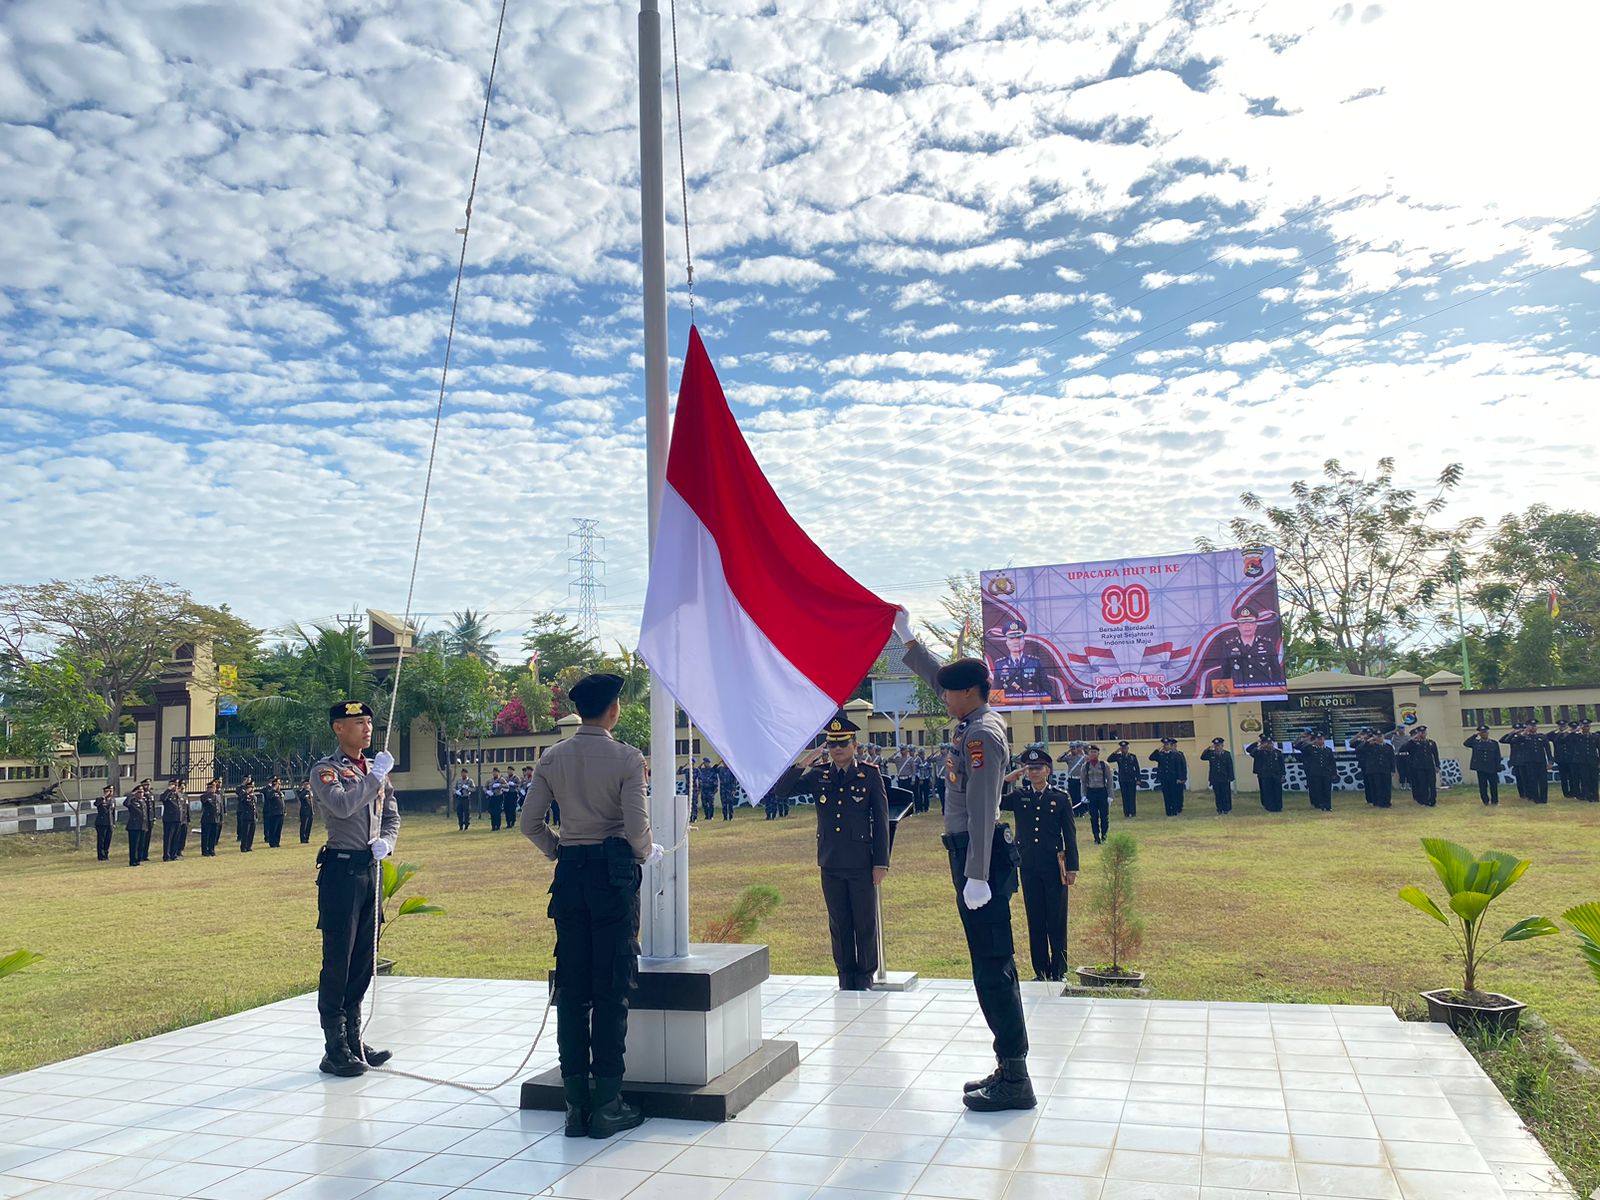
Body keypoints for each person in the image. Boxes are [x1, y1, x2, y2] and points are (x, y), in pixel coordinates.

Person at [899, 609, 1034, 1112]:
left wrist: (976, 875)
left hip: (982, 859)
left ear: (970, 693)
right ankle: (1008, 1065)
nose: (943, 697)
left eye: (949, 693)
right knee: (987, 964)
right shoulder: (972, 719)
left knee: (994, 966)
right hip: (973, 857)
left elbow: (982, 810)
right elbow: (939, 676)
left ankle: (1016, 1078)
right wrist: (908, 639)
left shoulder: (981, 736)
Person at [521, 673, 661, 1140]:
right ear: (614, 710)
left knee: (573, 989)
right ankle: (607, 1104)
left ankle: (575, 1106)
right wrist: (644, 852)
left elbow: (529, 823)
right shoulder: (628, 757)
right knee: (611, 988)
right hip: (613, 877)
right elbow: (637, 826)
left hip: (570, 877)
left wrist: (559, 849)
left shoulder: (552, 757)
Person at [309, 700, 401, 1078]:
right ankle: (334, 1048)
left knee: (364, 958)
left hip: (370, 870)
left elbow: (391, 815)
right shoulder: (326, 771)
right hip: (341, 872)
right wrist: (374, 777)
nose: (367, 729)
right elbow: (344, 805)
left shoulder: (372, 769)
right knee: (339, 961)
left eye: (368, 723)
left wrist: (388, 842)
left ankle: (353, 1039)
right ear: (338, 728)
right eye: (359, 723)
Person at [776, 715, 890, 992]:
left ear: (854, 745)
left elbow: (881, 820)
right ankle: (845, 977)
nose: (837, 749)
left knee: (864, 922)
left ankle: (865, 977)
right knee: (839, 924)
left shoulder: (869, 774)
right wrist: (804, 763)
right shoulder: (819, 774)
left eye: (843, 743)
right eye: (832, 744)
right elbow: (781, 791)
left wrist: (881, 863)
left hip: (861, 862)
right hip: (830, 861)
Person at [1001, 747, 1078, 982]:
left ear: (1048, 771)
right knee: (1035, 918)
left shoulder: (1060, 797)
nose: (1034, 772)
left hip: (1054, 865)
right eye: (1030, 769)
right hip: (1028, 865)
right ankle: (1041, 971)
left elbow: (1069, 834)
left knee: (1056, 918)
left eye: (1038, 768)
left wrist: (1072, 867)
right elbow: (995, 801)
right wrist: (1006, 780)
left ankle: (1059, 970)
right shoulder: (1020, 796)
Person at [1212, 605, 1283, 687]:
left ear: (1256, 626)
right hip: (1238, 692)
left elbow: (1276, 673)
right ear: (1238, 626)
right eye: (1243, 623)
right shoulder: (1229, 647)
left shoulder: (1268, 645)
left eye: (1250, 623)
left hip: (1263, 691)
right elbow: (1225, 675)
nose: (1247, 626)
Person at [992, 619, 1058, 701]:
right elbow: (995, 694)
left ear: (1024, 641)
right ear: (1007, 642)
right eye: (1011, 638)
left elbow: (1047, 690)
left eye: (1019, 637)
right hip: (1008, 706)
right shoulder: (999, 664)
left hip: (1032, 705)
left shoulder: (1035, 662)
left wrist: (1035, 695)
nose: (1016, 642)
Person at [1397, 728, 1440, 806]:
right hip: (1419, 767)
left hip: (1430, 767)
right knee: (1423, 784)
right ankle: (1424, 801)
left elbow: (1435, 755)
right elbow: (1402, 749)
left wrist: (1437, 765)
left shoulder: (1431, 743)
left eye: (1424, 732)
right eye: (1421, 732)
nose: (1422, 734)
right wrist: (1412, 740)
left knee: (1432, 784)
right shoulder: (1413, 743)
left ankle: (1432, 800)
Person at [1079, 745, 1112, 843]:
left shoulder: (1104, 765)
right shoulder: (1085, 766)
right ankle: (1096, 836)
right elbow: (1083, 782)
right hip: (1091, 792)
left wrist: (1110, 795)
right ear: (1088, 754)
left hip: (1102, 792)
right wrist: (1083, 795)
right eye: (1091, 752)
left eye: (1095, 752)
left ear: (1098, 753)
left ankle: (1104, 836)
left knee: (1104, 816)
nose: (1093, 754)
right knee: (1093, 816)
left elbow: (1110, 780)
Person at [1295, 732, 1336, 812]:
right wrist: (1310, 741)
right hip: (1316, 773)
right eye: (1318, 739)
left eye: (1321, 739)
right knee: (1318, 789)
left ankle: (1328, 805)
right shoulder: (1310, 749)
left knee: (1327, 790)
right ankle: (1321, 805)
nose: (1320, 740)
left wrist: (1334, 772)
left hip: (1326, 773)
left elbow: (1332, 762)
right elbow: (1300, 747)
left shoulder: (1328, 750)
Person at [1245, 733, 1285, 812]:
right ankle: (1269, 806)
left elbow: (1281, 764)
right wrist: (1258, 743)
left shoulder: (1277, 752)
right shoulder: (1260, 752)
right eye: (1267, 743)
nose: (1269, 745)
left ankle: (1278, 806)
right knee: (1267, 791)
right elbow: (1250, 752)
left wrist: (1283, 774)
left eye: (1270, 743)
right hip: (1265, 775)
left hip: (1276, 774)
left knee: (1277, 791)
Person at [1465, 726, 1503, 807]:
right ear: (1480, 734)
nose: (1484, 734)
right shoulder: (1476, 742)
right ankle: (1485, 801)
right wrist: (1474, 735)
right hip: (1481, 768)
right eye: (1482, 732)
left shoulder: (1494, 743)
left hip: (1492, 767)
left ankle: (1495, 801)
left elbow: (1497, 755)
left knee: (1493, 785)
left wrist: (1498, 766)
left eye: (1486, 732)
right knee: (1482, 785)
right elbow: (1466, 743)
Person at [1149, 738, 1187, 816]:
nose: (1166, 746)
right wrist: (1157, 750)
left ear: (1170, 745)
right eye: (1165, 744)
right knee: (1166, 795)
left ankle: (1174, 810)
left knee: (1173, 794)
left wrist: (1179, 778)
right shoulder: (1160, 754)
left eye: (1167, 744)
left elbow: (1178, 767)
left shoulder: (1176, 755)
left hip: (1173, 778)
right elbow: (1151, 757)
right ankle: (1168, 811)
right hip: (1164, 778)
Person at [1199, 737, 1234, 815]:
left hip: (1224, 777)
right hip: (1215, 778)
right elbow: (1202, 757)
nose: (1217, 747)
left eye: (1218, 745)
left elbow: (1230, 766)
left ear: (1222, 745)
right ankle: (1219, 809)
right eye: (1216, 745)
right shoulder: (1211, 754)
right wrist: (1208, 749)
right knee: (1218, 795)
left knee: (1226, 794)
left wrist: (1231, 777)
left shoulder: (1226, 754)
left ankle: (1227, 809)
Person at [1107, 740, 1140, 818]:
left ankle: (1133, 812)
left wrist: (1138, 779)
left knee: (1132, 796)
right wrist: (1116, 751)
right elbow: (1109, 759)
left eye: (1125, 748)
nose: (1124, 749)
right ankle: (1126, 813)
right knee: (1125, 796)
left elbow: (1137, 768)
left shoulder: (1132, 756)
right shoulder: (1118, 756)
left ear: (1128, 748)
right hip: (1123, 779)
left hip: (1131, 778)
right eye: (1122, 748)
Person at [1362, 731, 1395, 808]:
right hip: (1375, 769)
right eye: (1377, 736)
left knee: (1387, 786)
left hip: (1385, 769)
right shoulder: (1370, 746)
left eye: (1381, 736)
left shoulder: (1388, 746)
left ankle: (1387, 802)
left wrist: (1392, 769)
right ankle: (1378, 802)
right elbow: (1360, 749)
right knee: (1377, 786)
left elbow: (1392, 759)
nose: (1379, 738)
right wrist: (1368, 741)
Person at [1056, 742, 1087, 814]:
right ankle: (1075, 811)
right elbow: (1058, 759)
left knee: (1080, 796)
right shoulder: (1068, 757)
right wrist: (1067, 752)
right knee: (1073, 795)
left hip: (1079, 779)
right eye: (1071, 748)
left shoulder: (1082, 758)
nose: (1073, 750)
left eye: (1074, 748)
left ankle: (1082, 811)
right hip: (1071, 779)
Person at [124, 782, 148, 868]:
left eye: (142, 792)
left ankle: (138, 859)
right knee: (134, 845)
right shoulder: (132, 801)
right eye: (139, 792)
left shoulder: (143, 801)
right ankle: (133, 860)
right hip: (134, 826)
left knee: (141, 844)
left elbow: (145, 814)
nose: (141, 794)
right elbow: (126, 803)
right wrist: (131, 795)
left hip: (142, 825)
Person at [160, 779, 185, 861]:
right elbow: (163, 798)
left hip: (178, 819)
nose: (176, 786)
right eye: (174, 784)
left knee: (176, 838)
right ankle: (166, 856)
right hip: (169, 820)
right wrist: (168, 790)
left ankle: (173, 854)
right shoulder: (167, 794)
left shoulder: (179, 795)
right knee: (168, 838)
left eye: (177, 784)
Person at [1574, 720, 1600, 802]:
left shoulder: (1595, 737)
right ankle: (1587, 795)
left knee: (1594, 779)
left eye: (1587, 726)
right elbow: (1567, 739)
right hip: (1582, 762)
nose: (1586, 728)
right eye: (1584, 726)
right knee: (1585, 779)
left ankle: (1595, 796)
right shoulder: (1578, 737)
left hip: (1593, 761)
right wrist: (1577, 730)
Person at [200, 778, 225, 856]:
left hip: (216, 819)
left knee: (213, 836)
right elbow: (204, 801)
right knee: (206, 836)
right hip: (207, 819)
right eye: (212, 787)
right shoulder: (204, 796)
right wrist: (209, 793)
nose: (214, 789)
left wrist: (221, 818)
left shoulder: (218, 796)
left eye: (214, 787)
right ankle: (205, 851)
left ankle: (212, 849)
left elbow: (220, 807)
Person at [262, 776, 286, 848]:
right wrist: (273, 789)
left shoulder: (280, 792)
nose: (280, 785)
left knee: (279, 829)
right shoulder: (270, 792)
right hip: (274, 813)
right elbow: (269, 797)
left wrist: (284, 810)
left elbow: (282, 802)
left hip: (280, 813)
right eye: (278, 784)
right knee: (273, 829)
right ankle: (272, 843)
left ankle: (277, 842)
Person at [235, 777, 258, 851]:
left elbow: (255, 807)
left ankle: (249, 846)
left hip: (252, 816)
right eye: (251, 787)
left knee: (251, 833)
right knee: (245, 833)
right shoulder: (244, 796)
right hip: (246, 816)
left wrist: (256, 816)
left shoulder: (254, 797)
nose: (253, 789)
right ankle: (243, 847)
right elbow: (240, 798)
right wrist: (246, 792)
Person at [93, 784, 115, 861]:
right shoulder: (100, 799)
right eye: (109, 791)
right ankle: (101, 856)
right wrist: (103, 797)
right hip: (101, 823)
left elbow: (113, 812)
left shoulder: (112, 800)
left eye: (112, 791)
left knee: (108, 840)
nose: (111, 792)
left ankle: (106, 854)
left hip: (109, 823)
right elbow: (96, 804)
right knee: (101, 840)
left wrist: (113, 823)